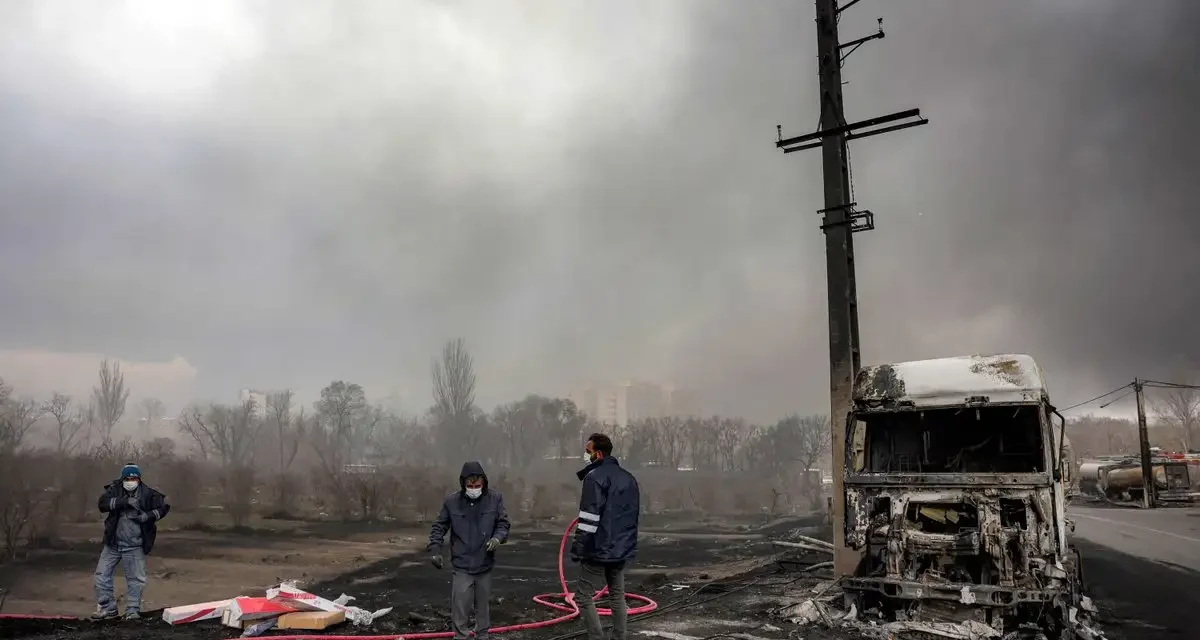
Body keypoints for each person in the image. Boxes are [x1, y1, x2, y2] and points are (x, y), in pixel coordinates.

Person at [428, 461, 511, 640]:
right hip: (461, 565)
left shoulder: (495, 499)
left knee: (483, 610)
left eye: (478, 486)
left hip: (484, 564)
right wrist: (435, 549)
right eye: (470, 486)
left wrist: (497, 538)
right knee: (460, 611)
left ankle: (482, 636)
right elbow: (439, 527)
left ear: (484, 483)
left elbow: (503, 523)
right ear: (463, 484)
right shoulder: (452, 502)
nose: (474, 489)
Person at [570, 433, 640, 640]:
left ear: (598, 454)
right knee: (617, 595)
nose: (585, 455)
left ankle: (596, 637)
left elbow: (589, 518)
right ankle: (620, 636)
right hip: (621, 549)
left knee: (583, 596)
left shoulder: (594, 478)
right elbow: (631, 518)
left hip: (598, 549)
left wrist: (578, 548)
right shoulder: (629, 478)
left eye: (588, 451)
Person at [93, 463, 170, 620]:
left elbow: (163, 508)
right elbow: (102, 504)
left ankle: (132, 611)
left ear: (139, 479)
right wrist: (123, 502)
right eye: (127, 478)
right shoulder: (114, 489)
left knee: (136, 580)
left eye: (134, 478)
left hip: (134, 544)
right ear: (122, 479)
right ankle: (108, 609)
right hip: (113, 543)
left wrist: (146, 517)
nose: (130, 481)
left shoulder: (149, 494)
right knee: (101, 576)